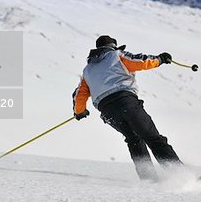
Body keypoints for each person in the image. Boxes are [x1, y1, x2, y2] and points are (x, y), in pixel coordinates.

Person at [72, 35, 182, 181]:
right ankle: (180, 176)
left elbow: (80, 94)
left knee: (134, 140)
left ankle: (148, 179)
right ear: (113, 46)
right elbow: (140, 61)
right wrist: (161, 59)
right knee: (152, 138)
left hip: (107, 112)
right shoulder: (116, 55)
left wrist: (79, 111)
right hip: (125, 102)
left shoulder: (88, 70)